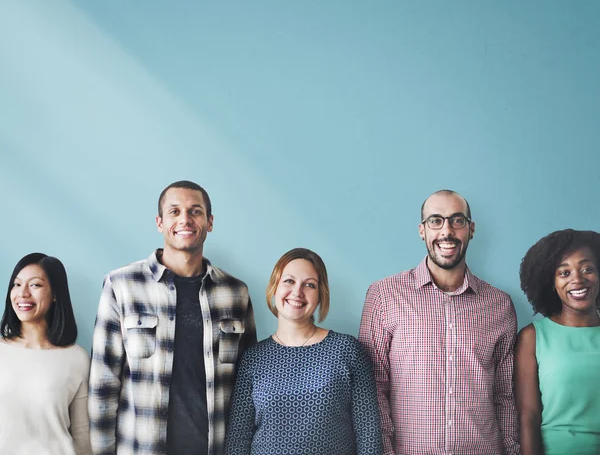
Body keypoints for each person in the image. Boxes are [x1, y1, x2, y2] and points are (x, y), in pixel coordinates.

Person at [89, 180, 257, 455]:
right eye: (175, 212)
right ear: (159, 222)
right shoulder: (122, 285)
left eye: (195, 211)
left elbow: (248, 385)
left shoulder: (235, 293)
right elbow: (103, 383)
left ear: (210, 221)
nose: (185, 220)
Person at [359, 189, 519, 455]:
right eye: (436, 220)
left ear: (471, 229)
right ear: (422, 230)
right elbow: (373, 388)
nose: (447, 231)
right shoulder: (385, 295)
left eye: (457, 220)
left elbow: (505, 395)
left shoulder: (499, 304)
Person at [224, 247, 382, 455]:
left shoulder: (347, 350)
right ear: (275, 287)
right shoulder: (253, 358)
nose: (297, 292)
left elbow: (369, 435)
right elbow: (238, 440)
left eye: (309, 285)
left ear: (320, 295)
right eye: (289, 281)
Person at [515, 229, 600, 455]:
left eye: (587, 269)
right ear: (551, 282)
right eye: (564, 272)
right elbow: (528, 417)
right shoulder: (533, 337)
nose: (577, 279)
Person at [0, 252, 92, 455]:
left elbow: (82, 435)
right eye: (16, 284)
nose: (23, 293)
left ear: (55, 294)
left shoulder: (76, 358)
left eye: (35, 285)